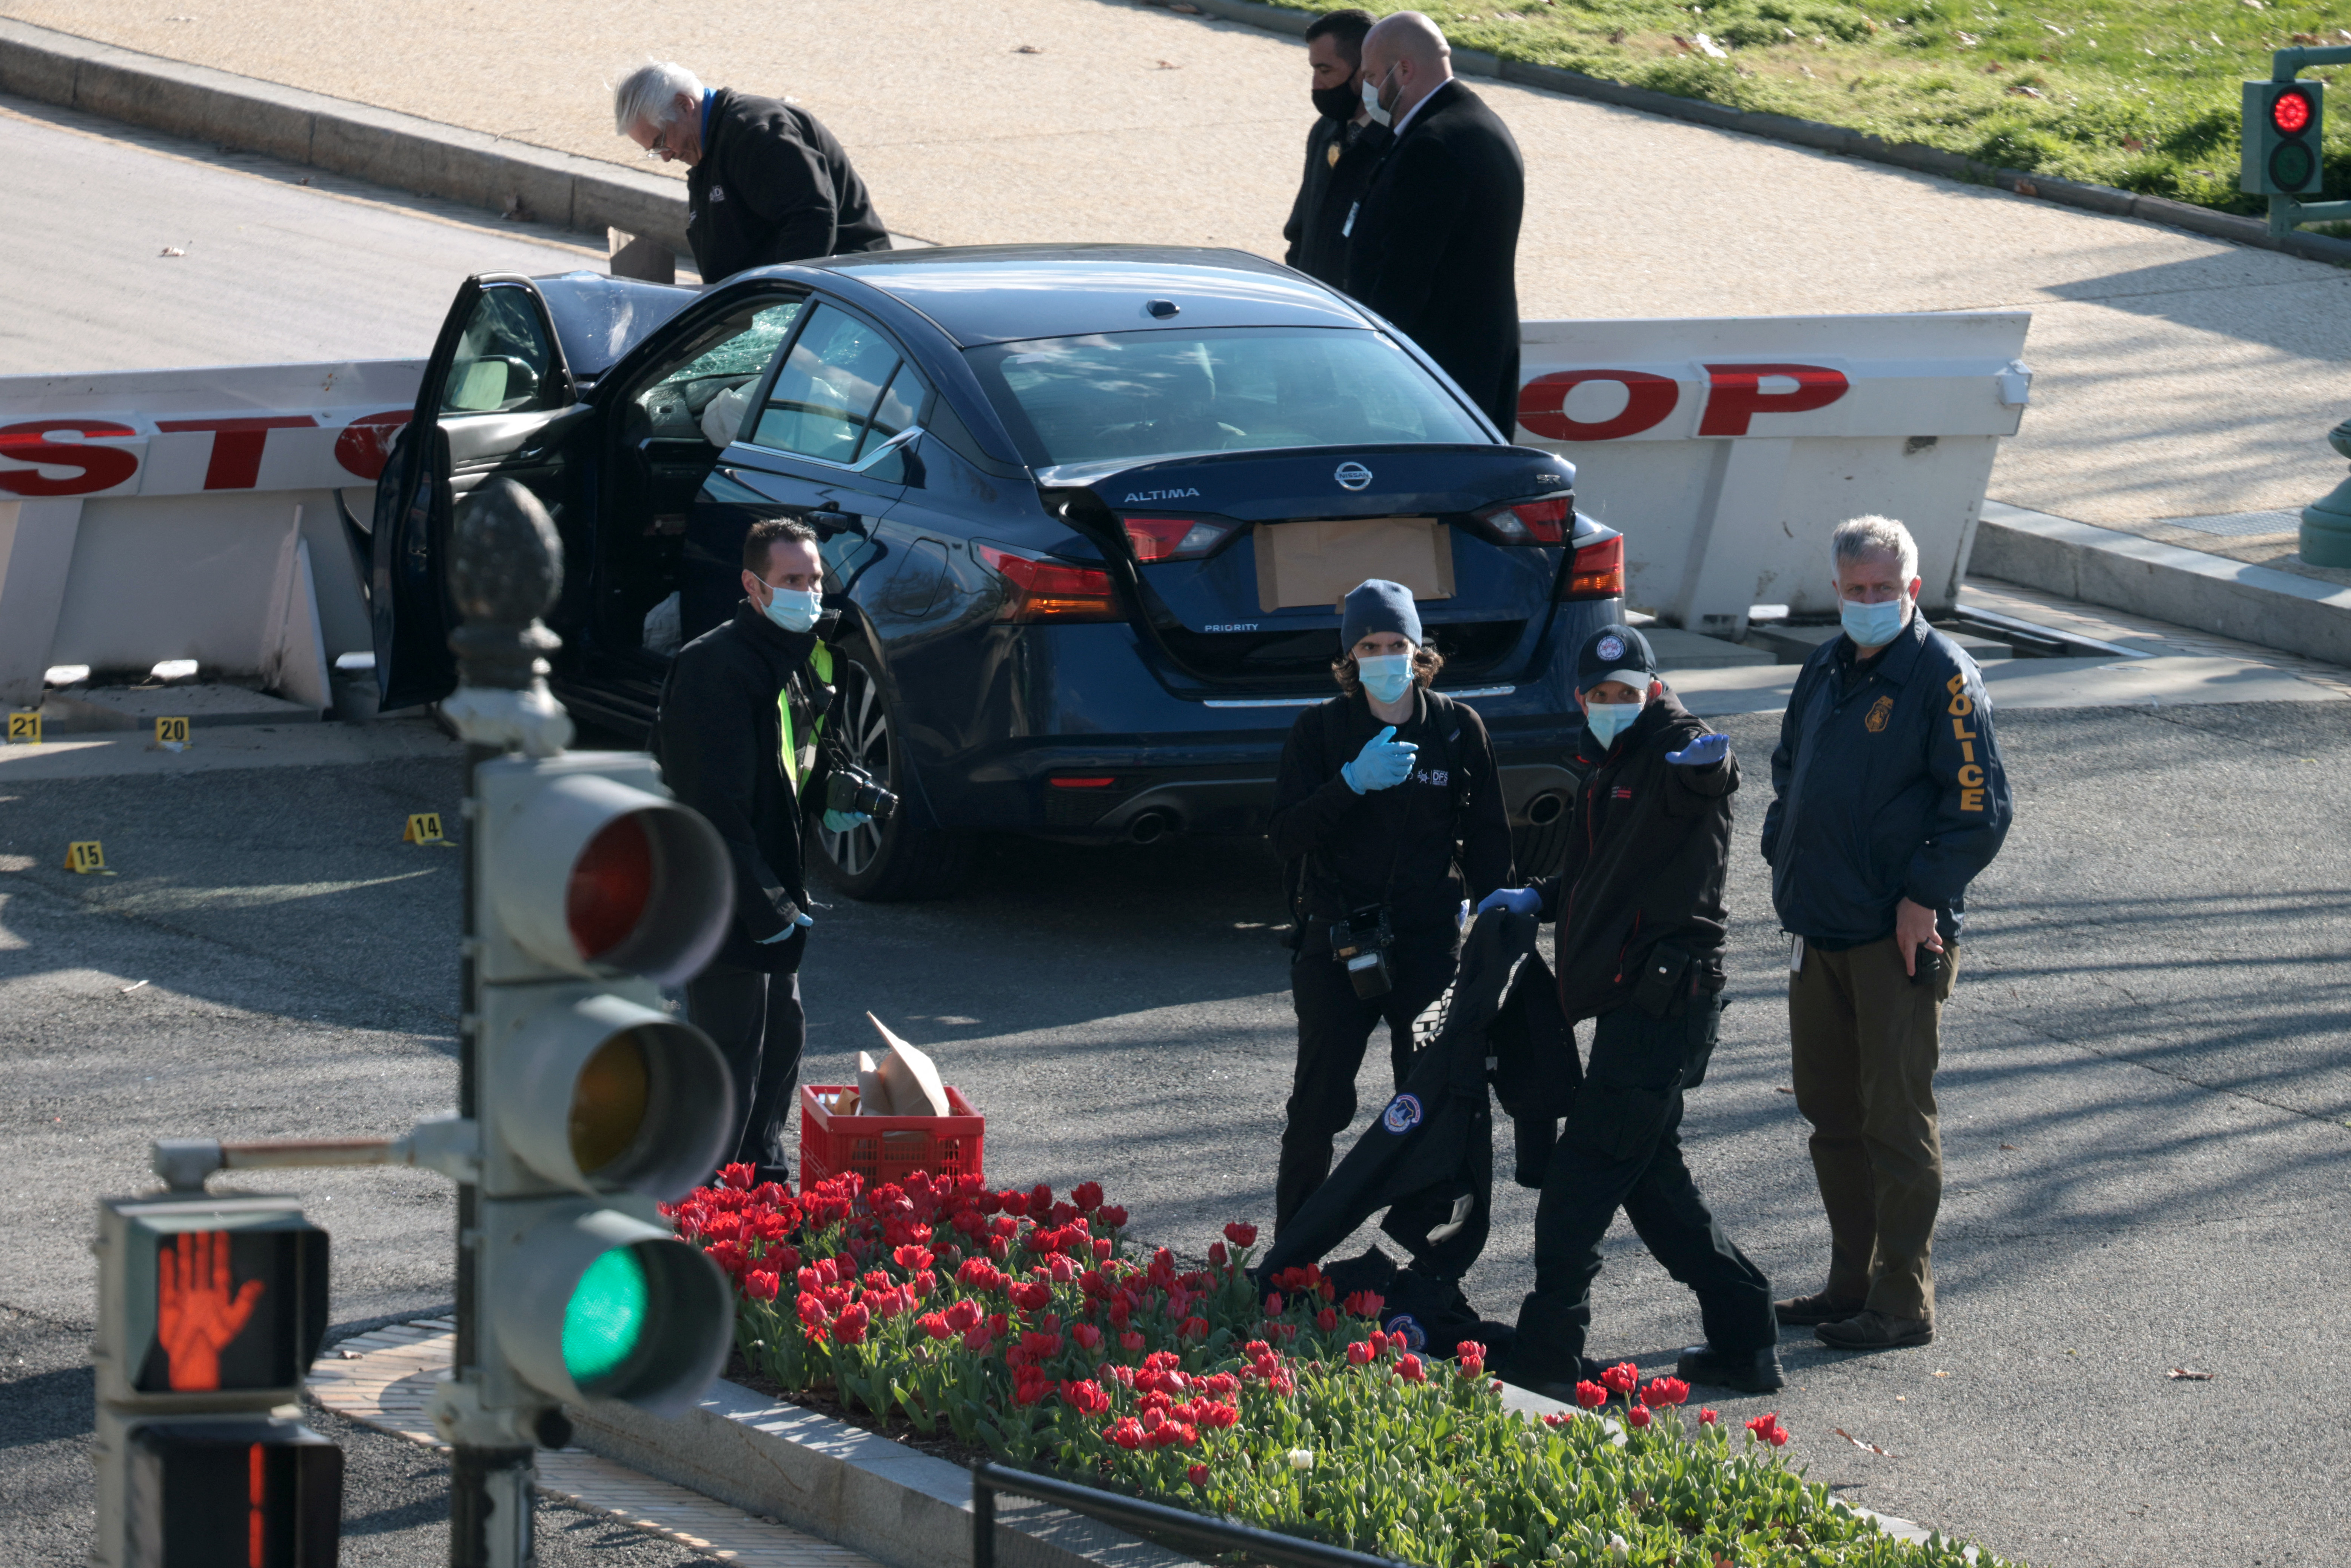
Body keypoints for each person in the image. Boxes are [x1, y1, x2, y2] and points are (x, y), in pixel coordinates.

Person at [1477, 626, 1781, 1398]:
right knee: (1651, 1181)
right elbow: (1595, 873)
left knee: (1581, 1182)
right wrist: (1534, 897)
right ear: (1583, 699)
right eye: (1600, 695)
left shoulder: (1677, 748)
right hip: (1641, 1003)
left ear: (1652, 688)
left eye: (1628, 693)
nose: (1615, 705)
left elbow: (1708, 773)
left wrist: (1710, 762)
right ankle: (1746, 1331)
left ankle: (1547, 1355)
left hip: (1664, 1004)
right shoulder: (1608, 760)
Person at [1762, 515, 2014, 1351]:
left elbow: (1978, 810)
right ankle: (1850, 1283)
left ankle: (1901, 1301)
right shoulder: (1827, 664)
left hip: (1893, 934)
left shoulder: (1943, 677)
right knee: (1830, 1113)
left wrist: (1924, 899)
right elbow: (1790, 769)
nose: (1868, 602)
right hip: (1818, 926)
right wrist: (1784, 855)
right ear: (1836, 590)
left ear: (1913, 588)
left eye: (1884, 589)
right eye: (1854, 590)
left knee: (1895, 1122)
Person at [1267, 579, 1512, 1231]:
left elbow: (1489, 842)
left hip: (1428, 941)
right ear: (1349, 655)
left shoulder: (1458, 729)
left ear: (1417, 649)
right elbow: (1285, 834)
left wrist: (1498, 929)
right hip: (1337, 939)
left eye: (1395, 643)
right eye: (1369, 644)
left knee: (1430, 1094)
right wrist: (1348, 783)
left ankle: (1423, 1247)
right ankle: (1291, 1255)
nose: (1383, 655)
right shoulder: (1319, 729)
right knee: (1317, 1106)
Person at [652, 518, 869, 1183]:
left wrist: (831, 789)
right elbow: (709, 807)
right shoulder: (713, 668)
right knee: (730, 1057)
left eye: (815, 579)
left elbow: (790, 762)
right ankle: (711, 1205)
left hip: (770, 888)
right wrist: (766, 901)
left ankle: (761, 1187)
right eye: (791, 581)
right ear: (752, 585)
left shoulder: (801, 658)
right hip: (721, 893)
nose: (809, 592)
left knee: (781, 1043)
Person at [1342, 12, 1525, 432]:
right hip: (1468, 364)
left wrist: (1371, 361)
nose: (1367, 87)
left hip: (1436, 380)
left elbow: (1406, 273)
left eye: (1372, 75)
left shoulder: (1434, 146)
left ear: (1403, 69)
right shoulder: (1475, 124)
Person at [613, 60, 889, 285]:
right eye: (653, 150)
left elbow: (811, 218)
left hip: (848, 292)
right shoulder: (705, 150)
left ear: (685, 106)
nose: (665, 157)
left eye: (661, 142)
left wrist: (780, 300)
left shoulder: (756, 135)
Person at [1282, 10, 1390, 289]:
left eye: (1326, 70)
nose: (1316, 85)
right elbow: (1301, 229)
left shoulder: (1396, 145)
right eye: (1314, 70)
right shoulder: (1325, 130)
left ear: (1366, 71)